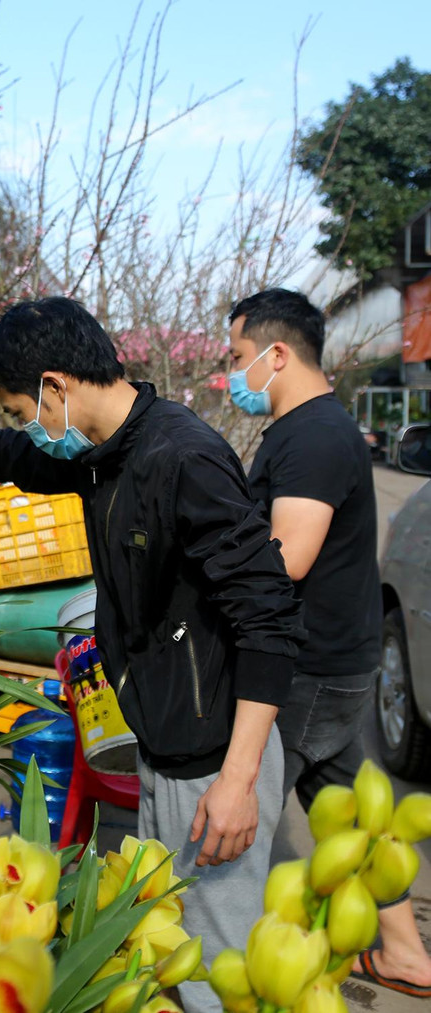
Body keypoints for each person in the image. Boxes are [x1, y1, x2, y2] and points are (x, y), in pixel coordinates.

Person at [0, 297, 304, 1013]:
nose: (26, 427)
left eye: (24, 408)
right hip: (165, 737)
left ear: (55, 386)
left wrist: (237, 780)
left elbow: (269, 616)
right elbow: (0, 451)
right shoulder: (98, 453)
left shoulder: (183, 458)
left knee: (217, 973)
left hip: (215, 755)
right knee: (166, 945)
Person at [230, 288, 431, 998]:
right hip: (336, 664)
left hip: (308, 669)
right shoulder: (307, 429)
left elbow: (286, 556)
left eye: (237, 358)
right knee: (347, 811)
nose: (232, 373)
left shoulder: (312, 437)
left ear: (277, 354)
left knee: (234, 825)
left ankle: (236, 971)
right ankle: (406, 951)